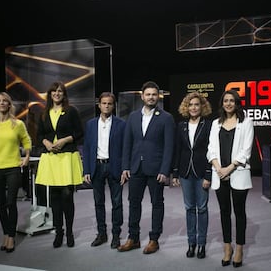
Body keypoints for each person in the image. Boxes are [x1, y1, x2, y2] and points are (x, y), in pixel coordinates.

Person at [118, 81, 175, 254]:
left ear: (158, 97)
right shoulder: (133, 117)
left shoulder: (166, 117)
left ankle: (154, 239)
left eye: (154, 94)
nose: (151, 97)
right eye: (148, 94)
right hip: (136, 168)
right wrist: (125, 166)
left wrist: (165, 170)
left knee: (157, 203)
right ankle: (133, 238)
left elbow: (169, 147)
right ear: (142, 96)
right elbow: (127, 143)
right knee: (133, 203)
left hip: (156, 169)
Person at [206, 89, 254, 268]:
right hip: (219, 174)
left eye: (231, 101)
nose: (228, 104)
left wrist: (230, 168)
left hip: (238, 173)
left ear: (237, 103)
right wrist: (219, 168)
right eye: (225, 100)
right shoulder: (215, 123)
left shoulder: (246, 122)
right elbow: (211, 149)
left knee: (239, 214)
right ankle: (227, 248)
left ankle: (239, 249)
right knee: (224, 213)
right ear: (222, 103)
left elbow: (246, 151)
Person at [34, 81, 84, 248]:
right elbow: (39, 134)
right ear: (50, 94)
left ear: (64, 94)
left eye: (60, 91)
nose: (57, 94)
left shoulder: (71, 111)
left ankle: (69, 233)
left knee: (67, 197)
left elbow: (79, 132)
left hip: (67, 157)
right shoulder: (43, 113)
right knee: (54, 198)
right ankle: (59, 232)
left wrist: (65, 140)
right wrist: (46, 142)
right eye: (54, 91)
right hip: (50, 158)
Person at [0, 92, 32, 253]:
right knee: (0, 204)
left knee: (11, 202)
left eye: (5, 101)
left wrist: (26, 156)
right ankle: (5, 233)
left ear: (9, 104)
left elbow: (26, 140)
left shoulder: (17, 124)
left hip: (13, 167)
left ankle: (11, 236)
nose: (2, 103)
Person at [172, 91, 213, 259]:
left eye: (197, 104)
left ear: (202, 107)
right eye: (190, 104)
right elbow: (178, 150)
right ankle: (191, 243)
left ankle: (202, 244)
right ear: (186, 107)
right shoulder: (180, 125)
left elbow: (212, 150)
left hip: (202, 171)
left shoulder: (209, 125)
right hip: (185, 172)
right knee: (189, 208)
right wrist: (175, 173)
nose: (193, 107)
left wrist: (209, 175)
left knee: (202, 208)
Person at [83, 92, 126, 249]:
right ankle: (101, 234)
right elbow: (87, 148)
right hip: (96, 166)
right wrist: (86, 169)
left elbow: (125, 149)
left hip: (114, 167)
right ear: (99, 105)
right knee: (98, 202)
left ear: (113, 106)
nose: (106, 106)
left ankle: (116, 235)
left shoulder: (121, 124)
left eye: (109, 103)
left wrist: (124, 169)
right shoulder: (90, 124)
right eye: (104, 103)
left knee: (117, 203)